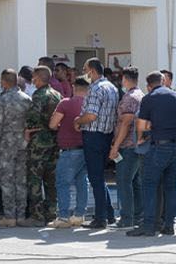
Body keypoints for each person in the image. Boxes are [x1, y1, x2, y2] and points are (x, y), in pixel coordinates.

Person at [128, 72, 176, 237]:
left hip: (160, 146)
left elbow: (141, 125)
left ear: (148, 85)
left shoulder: (149, 98)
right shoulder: (175, 96)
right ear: (163, 81)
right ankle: (169, 225)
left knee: (149, 184)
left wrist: (141, 138)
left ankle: (148, 225)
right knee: (170, 185)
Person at [75, 58, 119, 229]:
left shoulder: (95, 88)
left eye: (85, 69)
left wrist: (78, 120)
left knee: (95, 178)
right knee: (99, 177)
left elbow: (91, 115)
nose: (83, 73)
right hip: (107, 136)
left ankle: (100, 218)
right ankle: (108, 214)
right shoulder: (112, 87)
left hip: (93, 136)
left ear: (92, 71)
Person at [0, 68, 33, 228]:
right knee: (21, 181)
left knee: (7, 181)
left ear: (3, 82)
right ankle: (21, 216)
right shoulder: (27, 99)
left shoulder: (2, 100)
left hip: (6, 145)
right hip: (23, 144)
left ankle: (10, 216)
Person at [23, 67, 62, 226]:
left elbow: (33, 117)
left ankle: (37, 216)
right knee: (51, 179)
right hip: (54, 141)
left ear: (38, 78)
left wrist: (28, 129)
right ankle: (51, 213)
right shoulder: (57, 94)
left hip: (39, 142)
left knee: (34, 179)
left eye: (34, 78)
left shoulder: (38, 95)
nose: (33, 81)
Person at [50, 78, 90, 228]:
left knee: (63, 183)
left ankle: (63, 217)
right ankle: (79, 215)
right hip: (85, 148)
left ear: (74, 87)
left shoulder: (65, 103)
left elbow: (53, 124)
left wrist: (61, 126)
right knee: (82, 182)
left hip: (69, 150)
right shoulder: (89, 105)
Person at [111, 67, 144, 229]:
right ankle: (138, 215)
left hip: (128, 145)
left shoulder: (130, 97)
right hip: (136, 145)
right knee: (135, 182)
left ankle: (127, 218)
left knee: (124, 181)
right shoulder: (140, 95)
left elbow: (125, 123)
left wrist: (115, 146)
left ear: (125, 79)